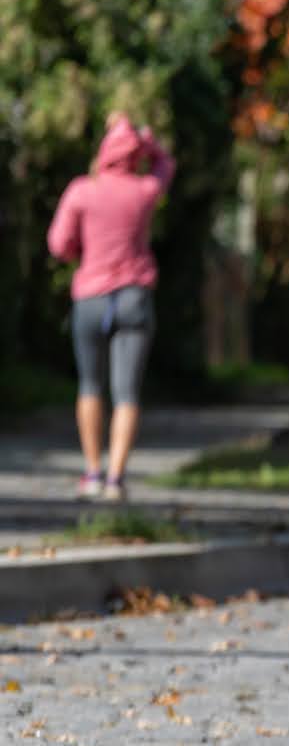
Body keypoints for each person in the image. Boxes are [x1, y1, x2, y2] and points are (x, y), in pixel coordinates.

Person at [45, 112, 175, 501]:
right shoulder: (145, 191)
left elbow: (58, 245)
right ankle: (117, 478)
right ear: (134, 155)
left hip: (91, 295)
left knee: (89, 385)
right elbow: (166, 163)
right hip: (134, 297)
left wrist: (81, 251)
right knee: (127, 392)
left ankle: (92, 472)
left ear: (103, 151)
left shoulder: (82, 190)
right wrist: (144, 137)